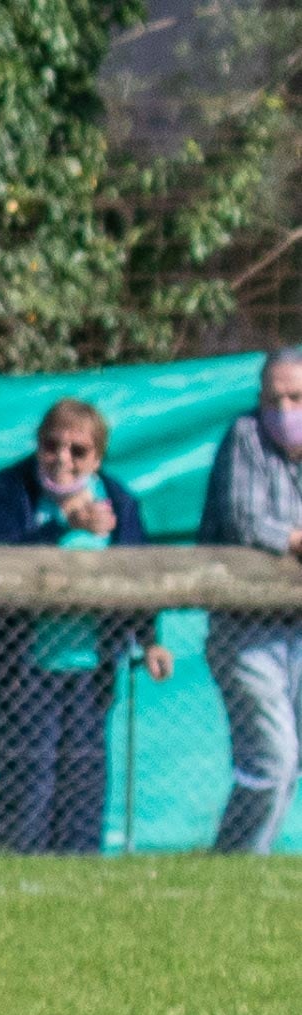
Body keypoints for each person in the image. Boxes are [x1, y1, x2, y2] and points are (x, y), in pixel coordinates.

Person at [0, 398, 174, 854]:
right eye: (51, 446)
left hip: (91, 665)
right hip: (19, 665)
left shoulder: (119, 502)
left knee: (83, 774)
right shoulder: (9, 490)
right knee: (31, 773)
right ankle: (8, 858)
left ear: (97, 458)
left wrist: (150, 639)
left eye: (78, 451)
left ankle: (76, 867)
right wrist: (63, 524)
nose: (62, 458)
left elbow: (136, 577)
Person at [199, 348, 302, 853]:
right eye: (272, 398)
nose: (283, 410)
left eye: (296, 398)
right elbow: (244, 518)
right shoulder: (246, 437)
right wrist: (296, 539)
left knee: (293, 760)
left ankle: (247, 868)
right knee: (272, 757)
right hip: (246, 627)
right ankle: (235, 861)